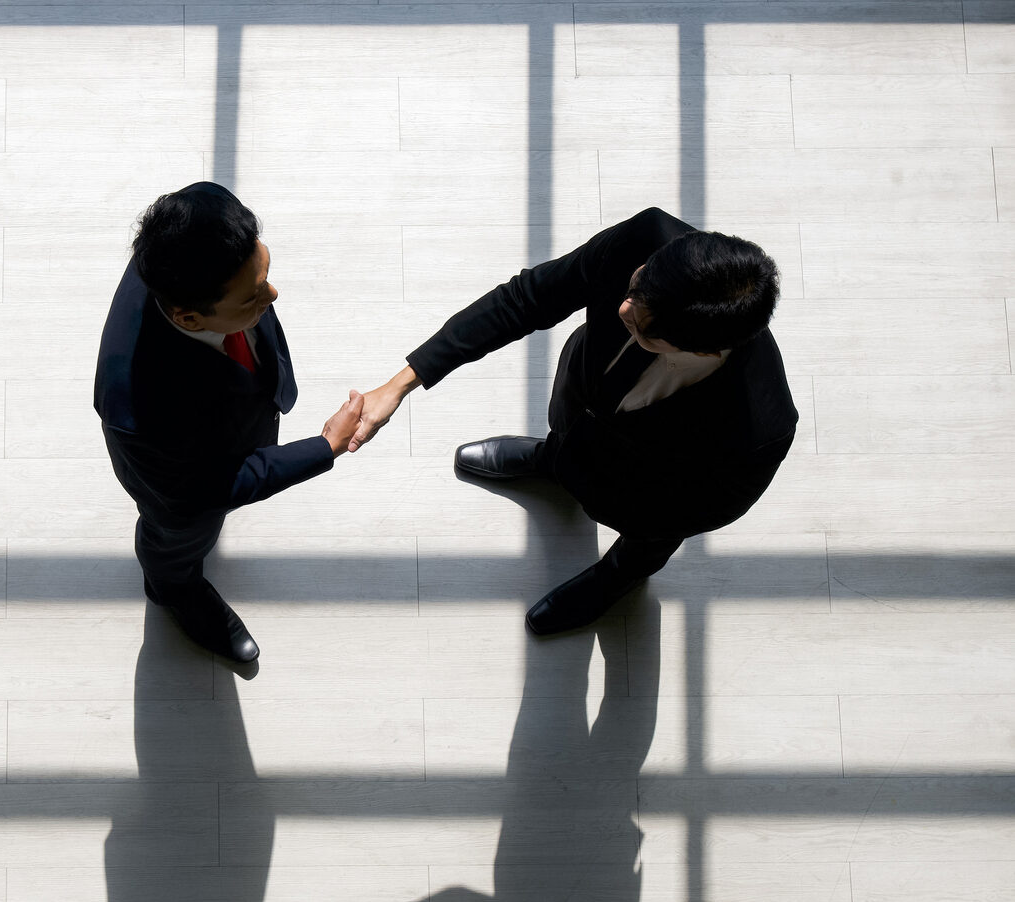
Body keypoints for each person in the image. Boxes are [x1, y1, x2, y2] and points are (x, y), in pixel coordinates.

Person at [350, 207, 798, 633]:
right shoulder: (648, 238)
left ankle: (616, 578)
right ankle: (552, 461)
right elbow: (527, 297)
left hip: (644, 489)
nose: (622, 311)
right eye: (632, 291)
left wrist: (617, 507)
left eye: (640, 329)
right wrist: (403, 383)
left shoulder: (761, 424)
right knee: (562, 441)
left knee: (646, 545)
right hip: (580, 396)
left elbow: (701, 511)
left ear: (700, 351)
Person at [94, 181, 363, 663]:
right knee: (177, 538)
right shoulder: (140, 412)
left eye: (265, 275)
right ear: (191, 318)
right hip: (181, 490)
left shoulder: (199, 239)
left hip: (229, 416)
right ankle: (172, 589)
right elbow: (205, 489)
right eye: (254, 297)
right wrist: (325, 447)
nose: (274, 295)